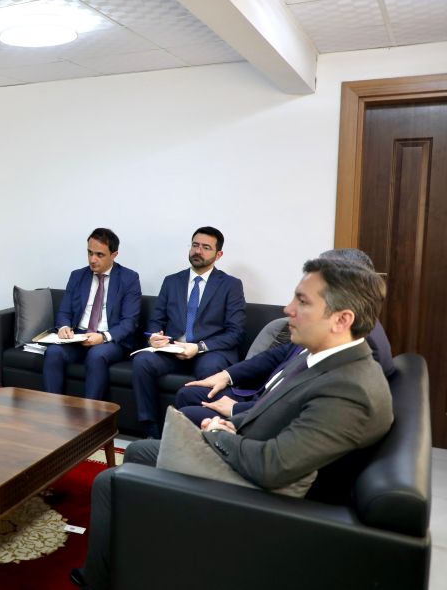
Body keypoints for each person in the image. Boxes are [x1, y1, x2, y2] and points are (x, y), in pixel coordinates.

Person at [73, 258, 393, 590]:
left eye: (302, 301)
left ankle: (100, 579)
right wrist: (234, 420)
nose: (288, 309)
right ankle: (139, 553)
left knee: (109, 480)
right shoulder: (324, 359)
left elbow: (274, 467)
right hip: (249, 449)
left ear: (342, 320)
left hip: (257, 493)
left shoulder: (350, 388)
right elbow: (276, 411)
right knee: (138, 451)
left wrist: (218, 433)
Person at [174, 248, 397, 425]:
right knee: (188, 394)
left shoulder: (358, 343)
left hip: (268, 411)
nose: (289, 309)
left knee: (185, 417)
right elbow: (279, 354)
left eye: (304, 301)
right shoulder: (325, 326)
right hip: (262, 393)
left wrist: (236, 409)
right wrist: (227, 375)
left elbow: (302, 404)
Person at [131, 226, 246, 437]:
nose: (198, 251)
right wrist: (154, 338)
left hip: (209, 351)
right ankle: (151, 430)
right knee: (142, 361)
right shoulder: (172, 281)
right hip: (174, 349)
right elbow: (156, 321)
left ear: (218, 254)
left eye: (206, 247)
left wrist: (199, 347)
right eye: (195, 245)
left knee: (211, 367)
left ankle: (199, 434)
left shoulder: (231, 285)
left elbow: (235, 332)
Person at [43, 228, 141, 400]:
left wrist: (103, 337)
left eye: (99, 255)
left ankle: (91, 413)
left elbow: (129, 322)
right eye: (89, 253)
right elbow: (64, 311)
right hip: (78, 337)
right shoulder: (77, 276)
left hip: (110, 340)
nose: (92, 259)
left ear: (114, 255)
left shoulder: (129, 278)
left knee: (96, 355)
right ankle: (53, 409)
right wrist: (64, 327)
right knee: (53, 352)